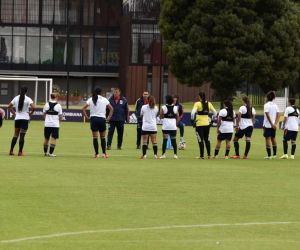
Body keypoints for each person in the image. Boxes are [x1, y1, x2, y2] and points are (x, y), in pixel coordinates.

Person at [82, 88, 114, 158]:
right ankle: (104, 154)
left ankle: (96, 154)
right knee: (103, 137)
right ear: (101, 92)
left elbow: (83, 108)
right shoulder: (104, 99)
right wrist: (108, 118)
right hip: (102, 119)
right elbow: (111, 109)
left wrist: (87, 117)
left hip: (93, 119)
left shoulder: (91, 99)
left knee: (95, 138)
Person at [8, 86, 35, 156]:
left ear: (20, 90)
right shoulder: (28, 99)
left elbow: (9, 106)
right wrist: (30, 114)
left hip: (17, 119)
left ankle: (11, 151)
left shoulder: (16, 98)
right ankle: (20, 152)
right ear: (26, 91)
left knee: (15, 135)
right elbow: (34, 107)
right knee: (22, 136)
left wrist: (14, 113)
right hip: (25, 119)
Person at [191, 92, 217, 159]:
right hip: (207, 124)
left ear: (199, 96)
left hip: (199, 124)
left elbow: (193, 112)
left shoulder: (197, 103)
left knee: (200, 140)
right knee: (207, 139)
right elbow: (215, 113)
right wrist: (212, 121)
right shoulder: (209, 103)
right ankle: (209, 155)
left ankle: (201, 156)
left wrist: (192, 120)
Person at [160, 95, 179, 159]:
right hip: (173, 126)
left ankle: (163, 155)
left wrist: (165, 117)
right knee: (174, 140)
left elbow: (161, 116)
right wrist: (176, 124)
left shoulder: (163, 107)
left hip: (166, 126)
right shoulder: (175, 107)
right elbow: (177, 117)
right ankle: (175, 155)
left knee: (165, 140)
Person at [263, 91, 280, 159]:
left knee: (268, 139)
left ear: (267, 97)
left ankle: (269, 156)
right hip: (274, 125)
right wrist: (275, 123)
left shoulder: (266, 105)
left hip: (267, 125)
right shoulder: (275, 105)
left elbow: (267, 114)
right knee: (273, 138)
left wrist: (271, 124)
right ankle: (275, 155)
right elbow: (278, 114)